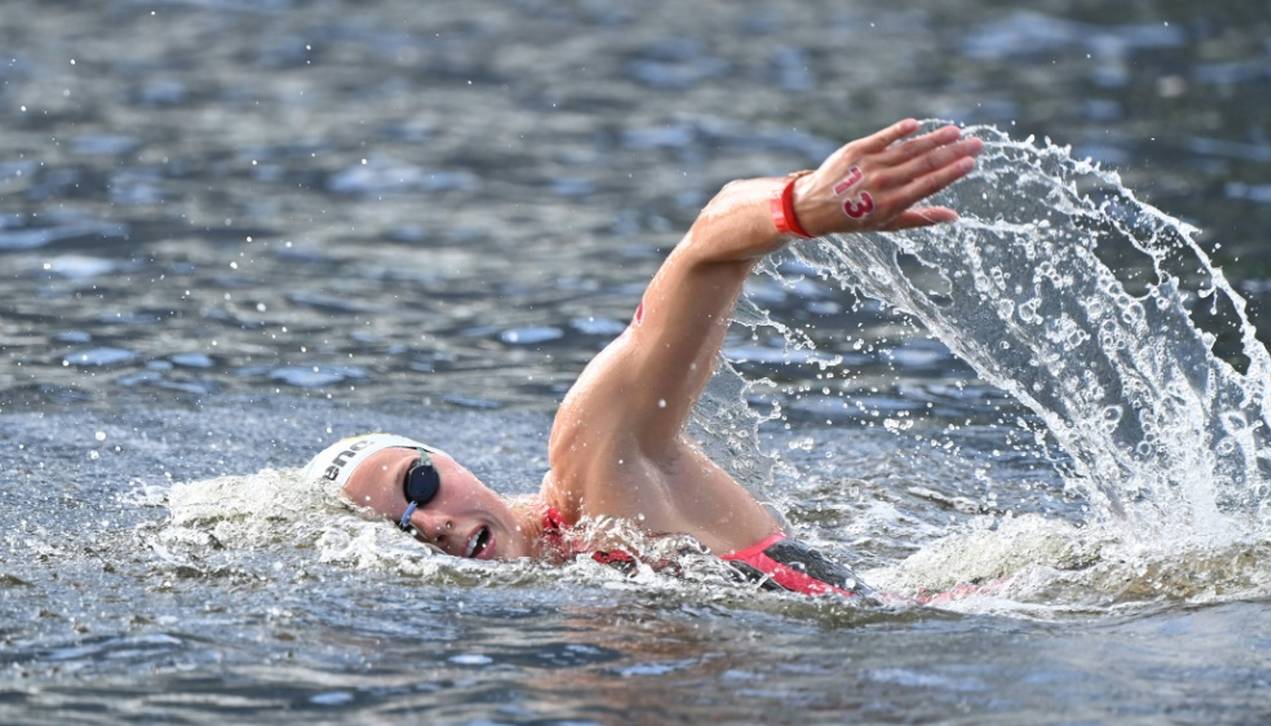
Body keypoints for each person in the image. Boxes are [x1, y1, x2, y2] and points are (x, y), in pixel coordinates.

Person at [305, 119, 983, 597]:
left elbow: (707, 245)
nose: (431, 525)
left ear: (443, 458)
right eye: (398, 533)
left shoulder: (595, 468)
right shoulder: (562, 597)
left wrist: (798, 206)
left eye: (417, 486)